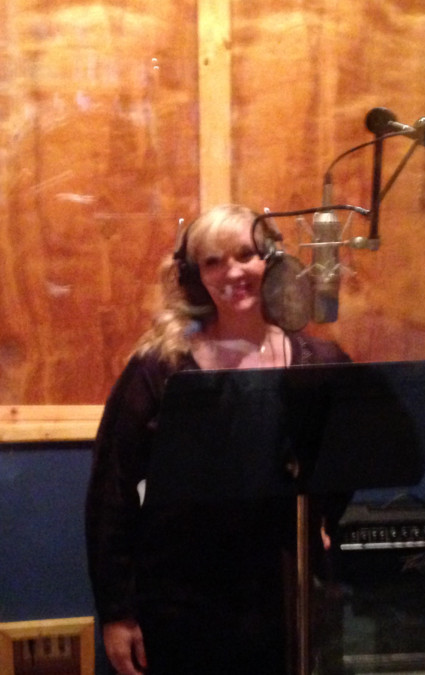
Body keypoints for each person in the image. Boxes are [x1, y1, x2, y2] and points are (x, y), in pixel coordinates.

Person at [85, 203, 351, 675]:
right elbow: (114, 490)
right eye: (213, 261)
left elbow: (345, 456)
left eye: (245, 254)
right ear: (195, 277)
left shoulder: (320, 361)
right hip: (181, 603)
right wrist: (118, 613)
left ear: (271, 260)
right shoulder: (158, 367)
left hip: (283, 596)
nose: (233, 272)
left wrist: (320, 518)